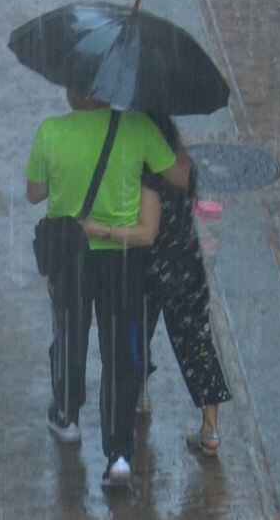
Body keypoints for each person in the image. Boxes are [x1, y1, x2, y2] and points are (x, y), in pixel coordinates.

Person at [26, 88, 189, 487]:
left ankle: (66, 413)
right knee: (120, 350)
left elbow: (34, 194)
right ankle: (118, 454)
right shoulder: (138, 129)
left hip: (70, 255)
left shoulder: (50, 132)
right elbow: (181, 177)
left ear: (75, 92)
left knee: (69, 333)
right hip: (122, 259)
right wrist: (164, 137)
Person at [84, 113, 232, 457]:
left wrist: (103, 230)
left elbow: (147, 231)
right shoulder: (183, 166)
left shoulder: (149, 176)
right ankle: (210, 428)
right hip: (186, 262)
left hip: (151, 266)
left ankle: (139, 392)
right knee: (196, 341)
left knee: (137, 331)